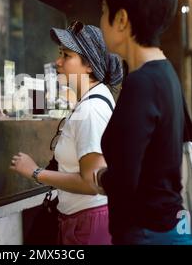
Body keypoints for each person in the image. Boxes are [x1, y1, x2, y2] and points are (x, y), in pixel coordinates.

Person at [95, 0, 192, 245]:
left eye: (104, 11)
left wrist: (99, 176)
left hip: (147, 234)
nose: (101, 21)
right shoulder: (165, 73)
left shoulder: (141, 83)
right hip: (168, 229)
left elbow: (125, 181)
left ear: (122, 19)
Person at [10, 21, 123, 245]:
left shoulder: (92, 109)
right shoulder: (89, 101)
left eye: (66, 55)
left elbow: (92, 183)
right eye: (60, 53)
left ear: (89, 65)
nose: (57, 62)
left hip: (89, 225)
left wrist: (35, 172)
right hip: (82, 221)